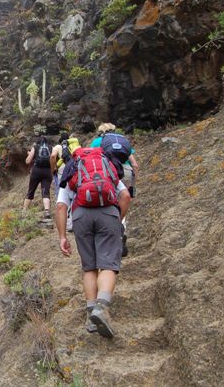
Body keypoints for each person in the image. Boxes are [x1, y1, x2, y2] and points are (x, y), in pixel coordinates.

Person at [55, 147, 132, 338]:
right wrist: (117, 220)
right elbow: (126, 196)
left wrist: (62, 236)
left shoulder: (71, 169)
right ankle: (102, 307)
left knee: (89, 267)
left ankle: (91, 316)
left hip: (81, 216)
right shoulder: (106, 167)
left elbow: (60, 206)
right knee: (108, 265)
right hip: (108, 213)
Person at [89, 123, 139, 256]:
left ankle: (107, 239)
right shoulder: (123, 140)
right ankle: (122, 232)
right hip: (127, 172)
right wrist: (133, 185)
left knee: (108, 205)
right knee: (122, 205)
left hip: (109, 173)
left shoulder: (97, 142)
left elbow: (92, 161)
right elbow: (135, 164)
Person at [50, 133, 80, 229]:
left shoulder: (58, 146)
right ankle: (74, 220)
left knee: (62, 196)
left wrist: (54, 168)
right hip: (75, 170)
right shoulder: (75, 144)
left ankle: (66, 222)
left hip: (62, 171)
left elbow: (53, 156)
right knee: (74, 195)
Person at [23, 136, 53, 219]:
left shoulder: (35, 147)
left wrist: (31, 155)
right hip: (47, 171)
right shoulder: (51, 147)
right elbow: (53, 158)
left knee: (31, 191)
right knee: (45, 192)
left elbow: (27, 161)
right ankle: (47, 211)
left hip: (36, 171)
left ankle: (24, 211)